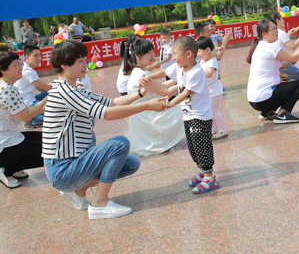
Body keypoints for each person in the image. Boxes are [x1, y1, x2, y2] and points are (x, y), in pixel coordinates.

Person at [42, 40, 174, 219]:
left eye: (84, 59)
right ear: (64, 64)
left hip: (74, 163)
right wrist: (147, 106)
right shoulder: (65, 91)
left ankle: (80, 188)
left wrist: (142, 94)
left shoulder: (75, 88)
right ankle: (99, 204)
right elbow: (108, 114)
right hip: (61, 169)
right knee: (119, 144)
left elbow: (112, 102)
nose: (85, 64)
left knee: (131, 163)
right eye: (80, 61)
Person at [140, 36, 220, 194]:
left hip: (200, 117)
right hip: (188, 115)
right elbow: (164, 71)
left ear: (188, 54)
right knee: (193, 147)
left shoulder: (196, 72)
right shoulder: (179, 68)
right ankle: (203, 172)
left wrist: (171, 103)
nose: (173, 57)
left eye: (175, 53)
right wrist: (149, 76)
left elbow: (185, 93)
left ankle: (210, 178)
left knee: (202, 146)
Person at [124, 38, 185, 156]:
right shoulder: (142, 75)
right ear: (137, 56)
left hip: (143, 113)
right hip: (148, 114)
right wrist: (186, 84)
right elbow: (165, 91)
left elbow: (160, 87)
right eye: (148, 52)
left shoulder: (138, 71)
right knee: (183, 107)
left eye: (152, 51)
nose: (152, 55)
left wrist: (179, 78)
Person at [246, 19, 299, 124]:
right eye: (273, 29)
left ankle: (267, 112)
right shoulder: (270, 47)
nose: (277, 31)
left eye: (276, 28)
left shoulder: (260, 46)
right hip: (264, 99)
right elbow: (293, 57)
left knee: (283, 84)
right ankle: (282, 114)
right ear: (264, 34)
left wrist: (298, 51)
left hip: (255, 101)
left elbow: (282, 65)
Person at [0, 52, 47, 188]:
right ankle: (6, 170)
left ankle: (11, 166)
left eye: (20, 63)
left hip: (9, 136)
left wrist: (45, 104)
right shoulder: (6, 90)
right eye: (16, 65)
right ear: (2, 70)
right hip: (4, 145)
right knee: (51, 150)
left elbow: (24, 111)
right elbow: (26, 116)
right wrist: (46, 99)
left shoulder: (5, 87)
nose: (21, 67)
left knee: (49, 139)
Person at [14, 45, 52, 130]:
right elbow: (47, 87)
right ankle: (28, 119)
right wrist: (64, 82)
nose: (39, 58)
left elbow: (40, 88)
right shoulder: (28, 71)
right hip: (27, 105)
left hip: (31, 98)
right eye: (35, 55)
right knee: (55, 115)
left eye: (40, 55)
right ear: (27, 57)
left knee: (51, 92)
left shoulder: (27, 69)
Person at [197, 36, 227, 139]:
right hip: (207, 91)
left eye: (199, 52)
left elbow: (209, 74)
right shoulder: (203, 61)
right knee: (210, 111)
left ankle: (222, 129)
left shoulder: (212, 61)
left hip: (214, 90)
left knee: (214, 111)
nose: (198, 55)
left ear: (208, 50)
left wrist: (198, 69)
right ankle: (214, 128)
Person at [270, 12, 299, 80]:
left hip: (275, 61)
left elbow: (281, 42)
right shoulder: (281, 33)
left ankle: (283, 71)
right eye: (282, 19)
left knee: (295, 54)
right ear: (277, 20)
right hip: (281, 62)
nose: (283, 20)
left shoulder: (274, 32)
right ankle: (278, 74)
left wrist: (288, 34)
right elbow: (293, 46)